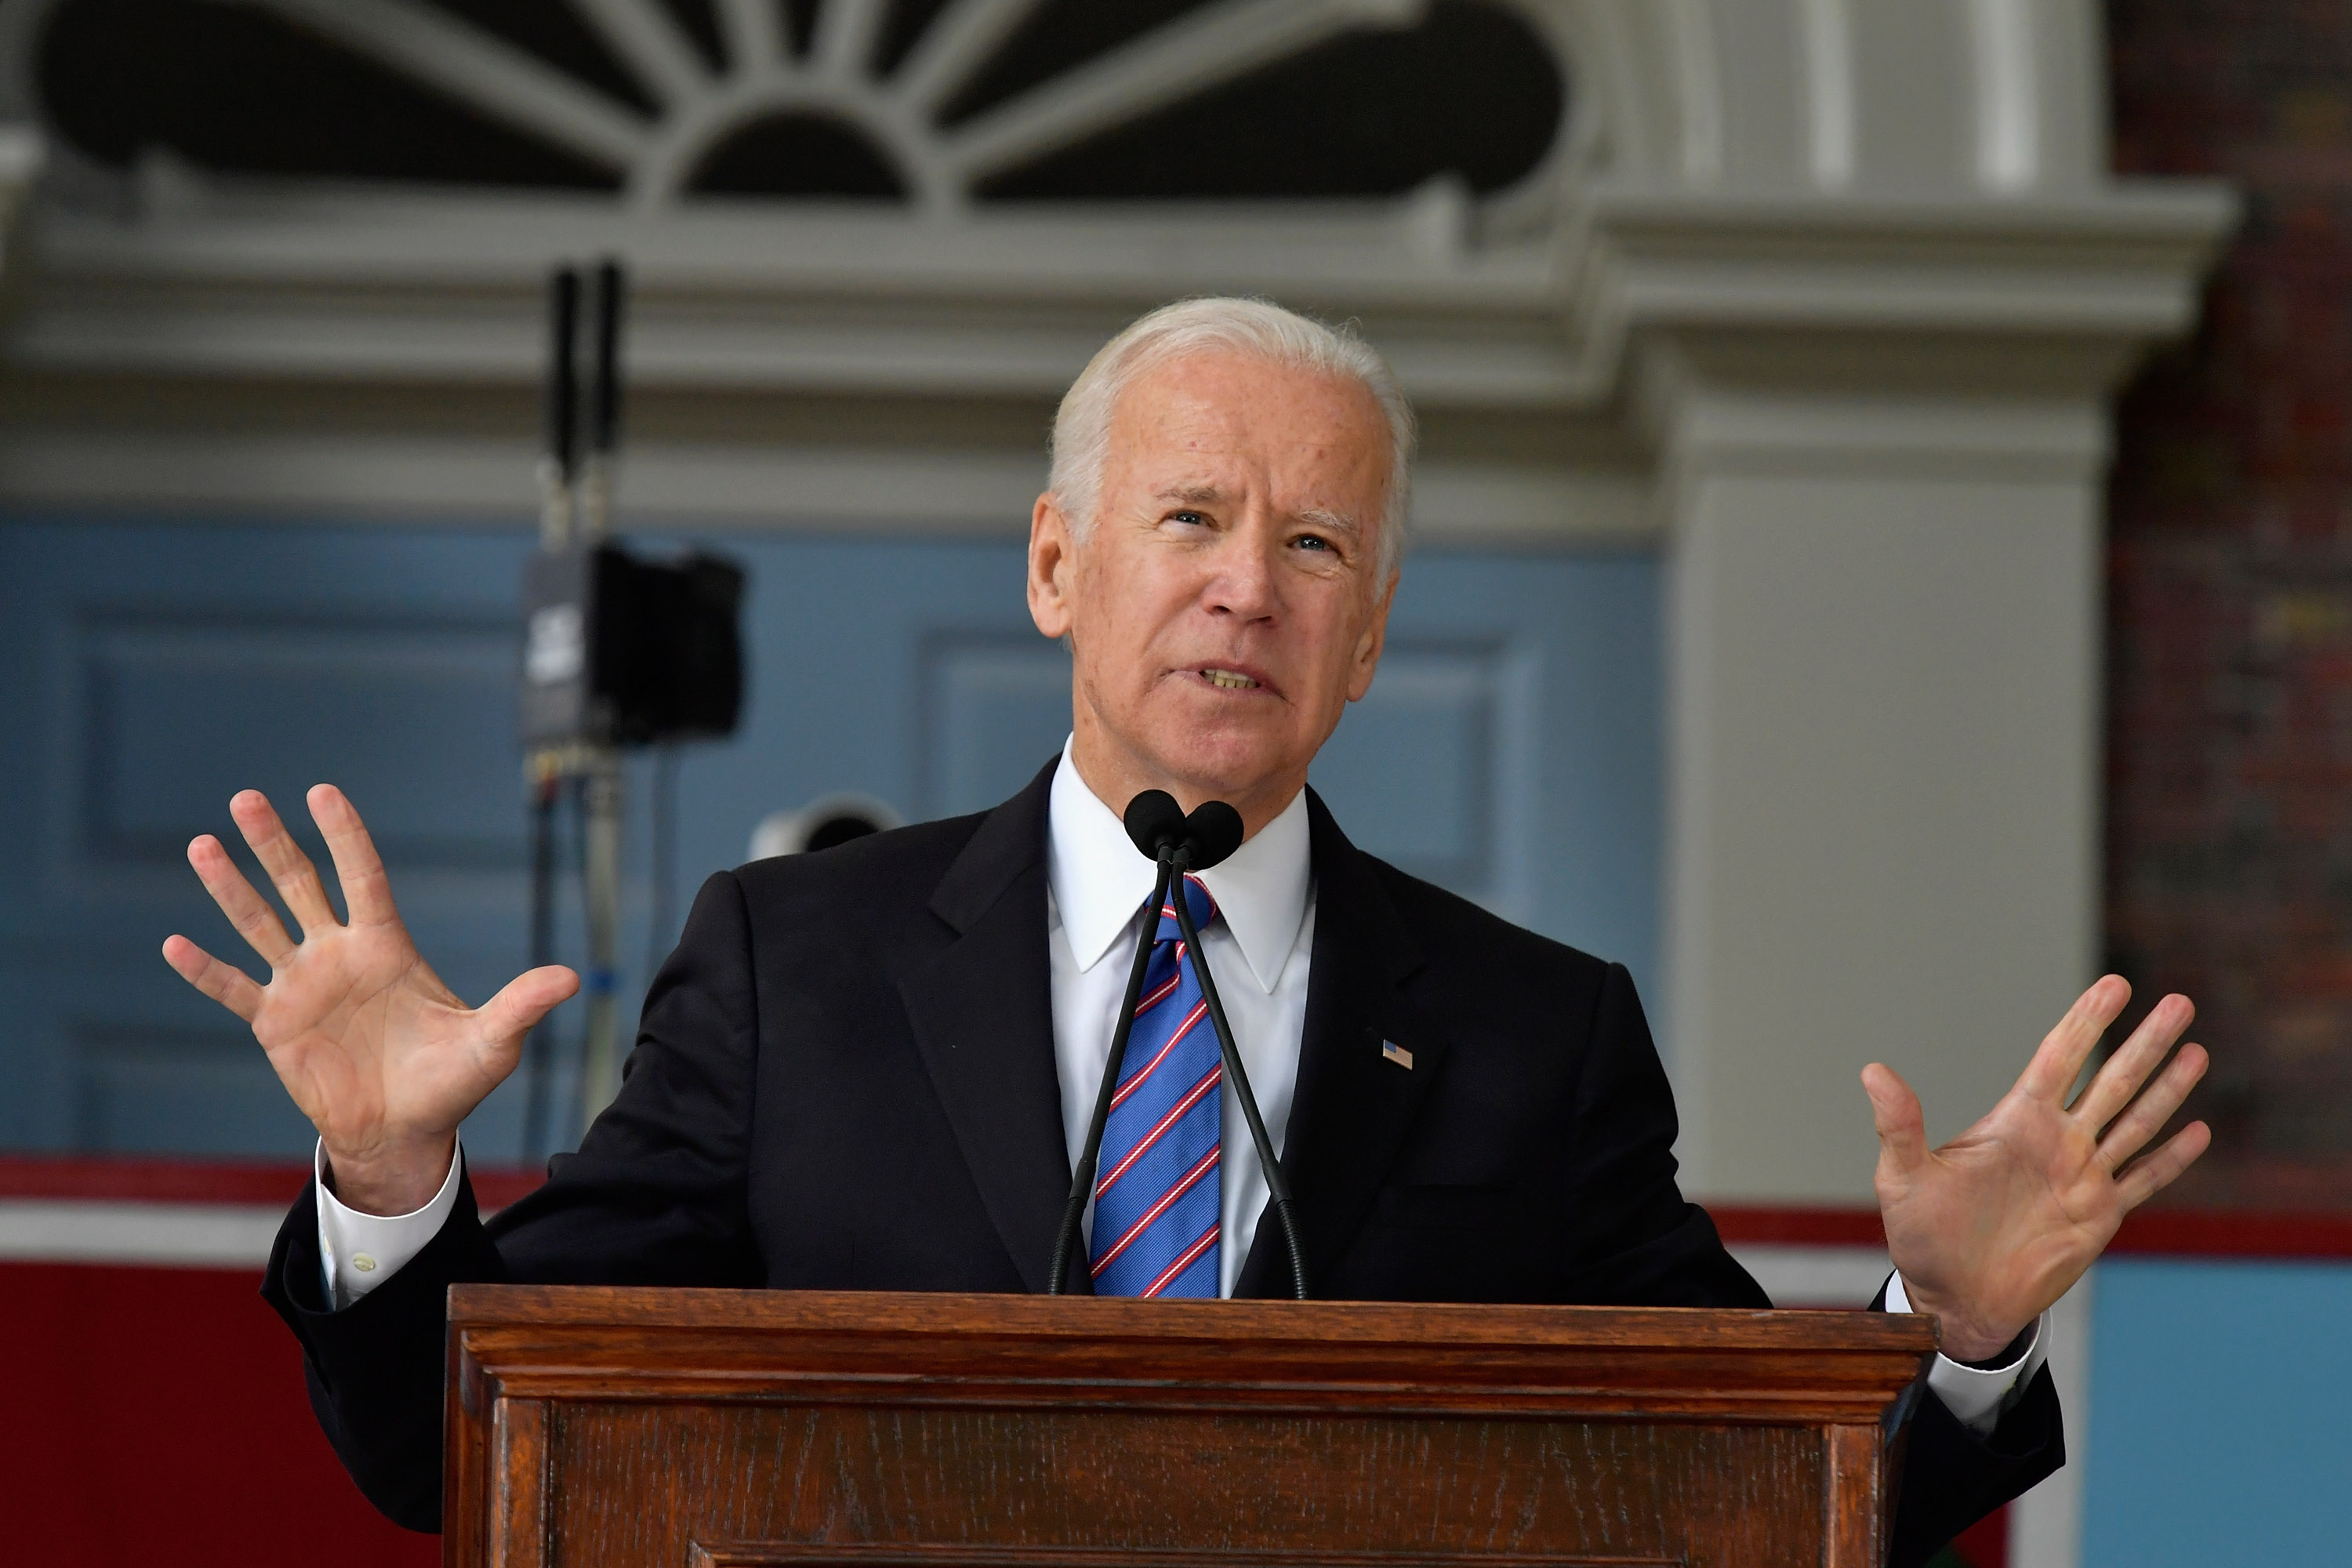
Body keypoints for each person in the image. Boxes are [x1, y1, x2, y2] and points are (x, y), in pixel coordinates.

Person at [162, 299, 2211, 1567]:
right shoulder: (800, 968)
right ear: (1058, 564)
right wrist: (391, 1176)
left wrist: (1948, 1340)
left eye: (1315, 543)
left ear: (1374, 632)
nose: (1250, 586)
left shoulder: (1530, 1034)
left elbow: (1754, 1502)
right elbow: (467, 1450)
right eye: (1191, 520)